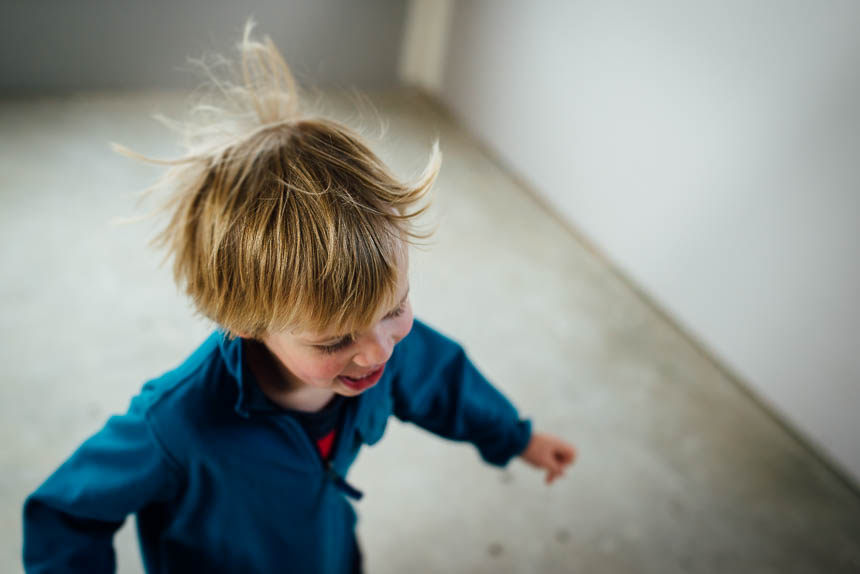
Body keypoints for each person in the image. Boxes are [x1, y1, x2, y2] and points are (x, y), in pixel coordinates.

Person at [22, 20, 577, 574]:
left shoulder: (383, 353)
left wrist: (516, 438)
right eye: (337, 339)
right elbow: (65, 515)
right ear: (242, 321)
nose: (379, 350)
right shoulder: (177, 424)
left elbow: (445, 382)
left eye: (395, 308)